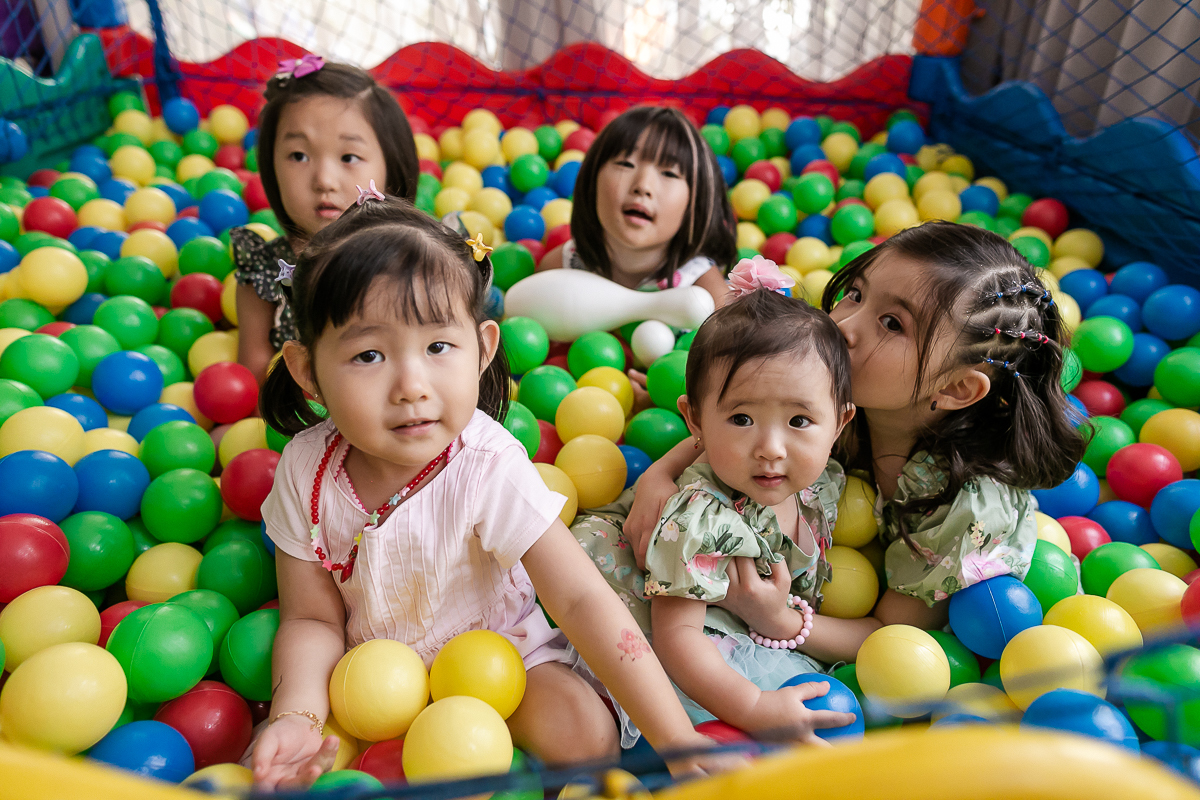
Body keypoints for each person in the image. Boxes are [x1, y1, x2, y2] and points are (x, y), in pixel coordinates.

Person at [249, 194, 746, 789]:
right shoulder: (306, 470)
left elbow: (583, 600)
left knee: (587, 737)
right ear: (307, 372)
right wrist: (297, 716)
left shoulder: (485, 463)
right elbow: (311, 619)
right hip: (370, 680)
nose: (411, 386)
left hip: (504, 655)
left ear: (483, 350)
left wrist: (676, 739)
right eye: (368, 354)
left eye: (437, 347)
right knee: (316, 770)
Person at [624, 221, 1084, 652]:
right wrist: (660, 474)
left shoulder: (964, 507)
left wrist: (777, 619)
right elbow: (741, 427)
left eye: (892, 324)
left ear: (954, 388)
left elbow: (892, 635)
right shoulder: (836, 392)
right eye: (855, 294)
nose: (844, 327)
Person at [572, 257, 864, 738]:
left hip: (752, 620)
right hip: (656, 628)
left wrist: (785, 622)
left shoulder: (822, 482)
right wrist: (753, 707)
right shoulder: (702, 517)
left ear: (841, 422)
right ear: (696, 422)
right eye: (742, 420)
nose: (771, 448)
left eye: (799, 422)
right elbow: (678, 638)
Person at [233, 56, 419, 385]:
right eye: (298, 156)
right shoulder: (263, 270)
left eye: (349, 157)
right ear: (270, 166)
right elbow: (253, 376)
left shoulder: (417, 261)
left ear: (392, 166)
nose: (324, 180)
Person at [537, 106, 737, 408]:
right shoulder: (560, 268)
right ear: (591, 181)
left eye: (669, 173)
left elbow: (733, 386)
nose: (642, 185)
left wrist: (669, 400)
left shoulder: (707, 293)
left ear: (696, 202)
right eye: (625, 163)